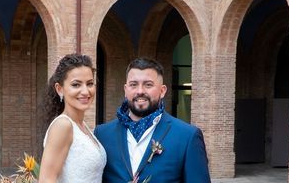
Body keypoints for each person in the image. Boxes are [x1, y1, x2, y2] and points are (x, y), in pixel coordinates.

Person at [95, 57, 211, 183]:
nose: (140, 91)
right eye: (133, 85)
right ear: (125, 90)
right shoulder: (102, 134)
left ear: (162, 91)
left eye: (148, 85)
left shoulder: (188, 136)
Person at [38, 54, 106, 183]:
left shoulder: (82, 126)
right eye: (76, 85)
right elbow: (47, 179)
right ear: (60, 89)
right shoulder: (63, 125)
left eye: (90, 83)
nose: (85, 91)